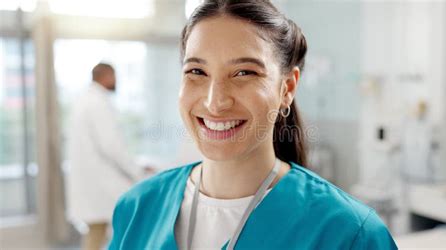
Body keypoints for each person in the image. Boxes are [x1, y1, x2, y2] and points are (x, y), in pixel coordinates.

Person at [108, 1, 398, 249]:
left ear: (287, 88)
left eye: (244, 72)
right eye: (197, 71)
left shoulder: (348, 234)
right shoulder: (137, 208)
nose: (215, 102)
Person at [66, 63, 143, 250]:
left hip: (92, 182)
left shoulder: (84, 99)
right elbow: (112, 146)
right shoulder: (97, 103)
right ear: (106, 76)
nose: (117, 81)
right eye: (115, 76)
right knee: (111, 228)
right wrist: (136, 172)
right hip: (100, 183)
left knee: (97, 231)